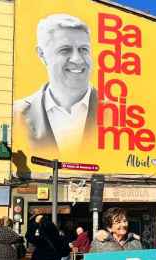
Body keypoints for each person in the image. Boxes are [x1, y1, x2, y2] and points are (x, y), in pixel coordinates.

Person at [13, 13, 96, 157]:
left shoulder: (116, 114)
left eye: (84, 49)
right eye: (65, 50)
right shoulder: (16, 115)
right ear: (42, 55)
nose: (77, 59)